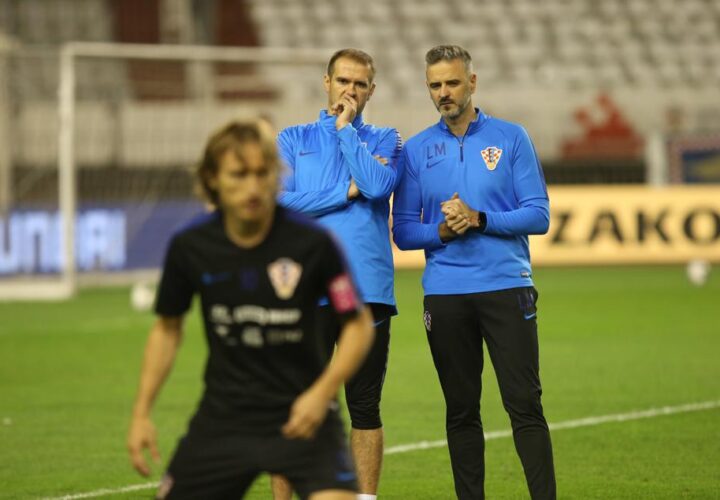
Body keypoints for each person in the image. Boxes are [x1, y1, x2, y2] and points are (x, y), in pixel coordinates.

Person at [127, 118, 375, 500]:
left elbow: (357, 324)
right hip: (225, 418)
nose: (253, 187)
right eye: (239, 175)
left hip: (306, 413)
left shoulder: (313, 244)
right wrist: (142, 413)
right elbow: (167, 328)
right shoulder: (191, 246)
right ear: (212, 179)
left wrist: (322, 393)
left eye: (262, 173)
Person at [392, 45, 556, 500]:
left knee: (524, 405)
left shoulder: (511, 137)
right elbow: (403, 231)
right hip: (446, 295)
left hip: (507, 288)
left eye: (452, 83)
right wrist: (444, 230)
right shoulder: (416, 150)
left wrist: (480, 218)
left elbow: (539, 215)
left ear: (472, 82)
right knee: (461, 411)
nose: (443, 93)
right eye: (435, 85)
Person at [273, 48, 402, 500]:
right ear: (326, 82)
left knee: (365, 407)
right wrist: (342, 192)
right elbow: (278, 205)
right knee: (295, 405)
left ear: (371, 91)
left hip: (366, 290)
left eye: (360, 84)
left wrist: (346, 131)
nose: (350, 90)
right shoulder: (292, 139)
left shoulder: (386, 139)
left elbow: (377, 186)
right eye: (343, 80)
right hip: (307, 290)